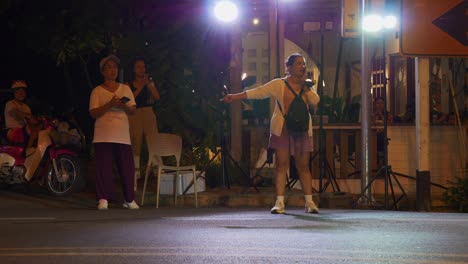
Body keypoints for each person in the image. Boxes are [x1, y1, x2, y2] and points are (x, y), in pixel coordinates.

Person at [221, 53, 320, 214]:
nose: (303, 66)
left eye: (303, 64)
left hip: (301, 129)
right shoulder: (279, 84)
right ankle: (279, 202)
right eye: (299, 64)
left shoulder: (306, 85)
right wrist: (234, 97)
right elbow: (258, 92)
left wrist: (306, 86)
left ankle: (309, 202)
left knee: (303, 166)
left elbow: (315, 101)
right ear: (289, 67)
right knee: (281, 165)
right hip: (283, 128)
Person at [89, 55, 139, 210]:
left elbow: (132, 110)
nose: (113, 70)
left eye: (115, 67)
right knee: (103, 167)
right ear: (103, 71)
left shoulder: (125, 88)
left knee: (126, 167)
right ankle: (103, 198)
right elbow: (93, 113)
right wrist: (110, 104)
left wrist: (122, 106)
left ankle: (129, 199)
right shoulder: (97, 90)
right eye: (109, 67)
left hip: (122, 135)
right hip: (103, 135)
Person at [127, 57, 160, 180]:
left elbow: (157, 96)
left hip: (148, 112)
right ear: (134, 69)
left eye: (143, 67)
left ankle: (157, 168)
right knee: (136, 140)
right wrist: (141, 85)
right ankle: (135, 171)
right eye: (138, 67)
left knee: (152, 138)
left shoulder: (149, 82)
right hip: (134, 113)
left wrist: (150, 85)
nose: (141, 69)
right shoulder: (128, 83)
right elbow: (131, 97)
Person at [4, 80, 41, 149]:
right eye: (19, 92)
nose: (21, 94)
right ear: (14, 93)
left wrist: (38, 119)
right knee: (35, 130)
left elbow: (31, 120)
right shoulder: (10, 104)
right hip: (14, 132)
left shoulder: (26, 107)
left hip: (24, 130)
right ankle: (28, 149)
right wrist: (29, 116)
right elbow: (16, 113)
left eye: (23, 91)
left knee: (42, 127)